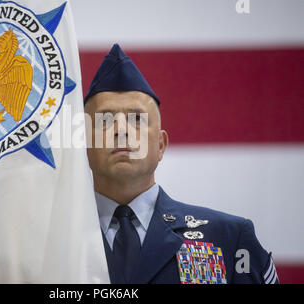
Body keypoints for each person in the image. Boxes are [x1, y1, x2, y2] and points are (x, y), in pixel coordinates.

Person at [83, 44, 279, 284]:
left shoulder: (229, 239)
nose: (122, 131)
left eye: (137, 119)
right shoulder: (48, 241)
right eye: (106, 120)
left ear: (161, 145)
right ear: (83, 145)